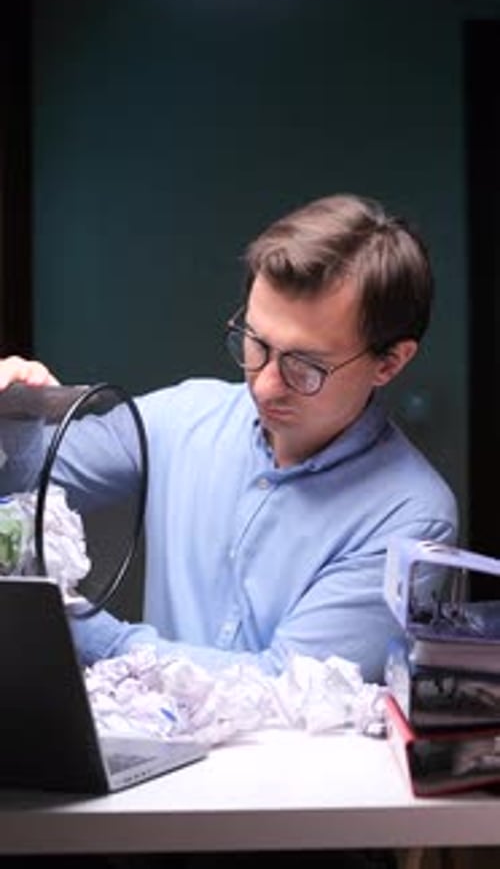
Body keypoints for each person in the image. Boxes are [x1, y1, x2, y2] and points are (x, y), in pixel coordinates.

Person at [0, 193, 458, 685]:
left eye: (305, 366)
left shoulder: (411, 517)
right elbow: (22, 482)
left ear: (390, 362)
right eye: (256, 343)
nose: (263, 384)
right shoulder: (184, 417)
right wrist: (15, 416)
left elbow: (283, 688)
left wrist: (78, 631)